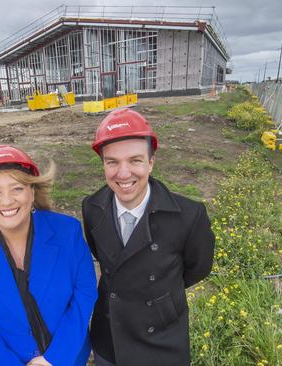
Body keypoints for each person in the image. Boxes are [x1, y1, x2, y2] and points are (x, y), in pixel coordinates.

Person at [82, 108, 215, 366]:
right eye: (112, 162)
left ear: (151, 162)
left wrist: (160, 295)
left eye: (135, 160)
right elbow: (104, 257)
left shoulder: (189, 215)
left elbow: (198, 268)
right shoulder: (92, 208)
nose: (123, 173)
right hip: (110, 336)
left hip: (162, 340)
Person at [0, 145, 97, 366]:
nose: (7, 201)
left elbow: (84, 293)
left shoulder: (68, 232)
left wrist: (54, 359)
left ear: (32, 191)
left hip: (69, 357)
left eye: (17, 188)